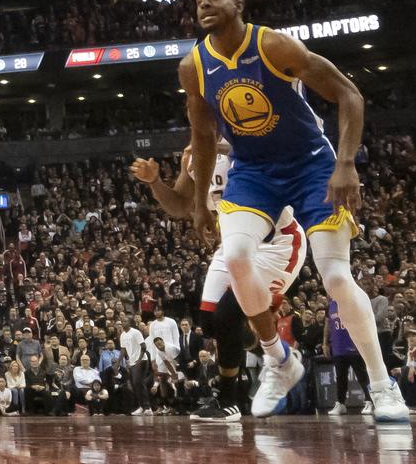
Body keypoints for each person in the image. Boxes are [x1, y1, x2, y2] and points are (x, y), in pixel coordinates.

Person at [182, 0, 409, 421]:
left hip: (311, 164)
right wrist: (198, 201)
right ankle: (280, 360)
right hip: (253, 171)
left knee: (336, 278)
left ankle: (383, 385)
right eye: (198, 1)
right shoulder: (193, 66)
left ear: (238, 4)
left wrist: (346, 163)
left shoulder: (273, 45)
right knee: (236, 256)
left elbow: (349, 94)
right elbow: (203, 136)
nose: (204, 3)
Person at [132, 137, 307, 422]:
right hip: (233, 245)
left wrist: (215, 148)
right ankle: (272, 347)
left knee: (227, 315)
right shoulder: (192, 156)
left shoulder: (245, 137)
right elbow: (179, 206)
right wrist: (155, 182)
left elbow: (275, 155)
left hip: (276, 243)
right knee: (211, 322)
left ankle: (229, 400)